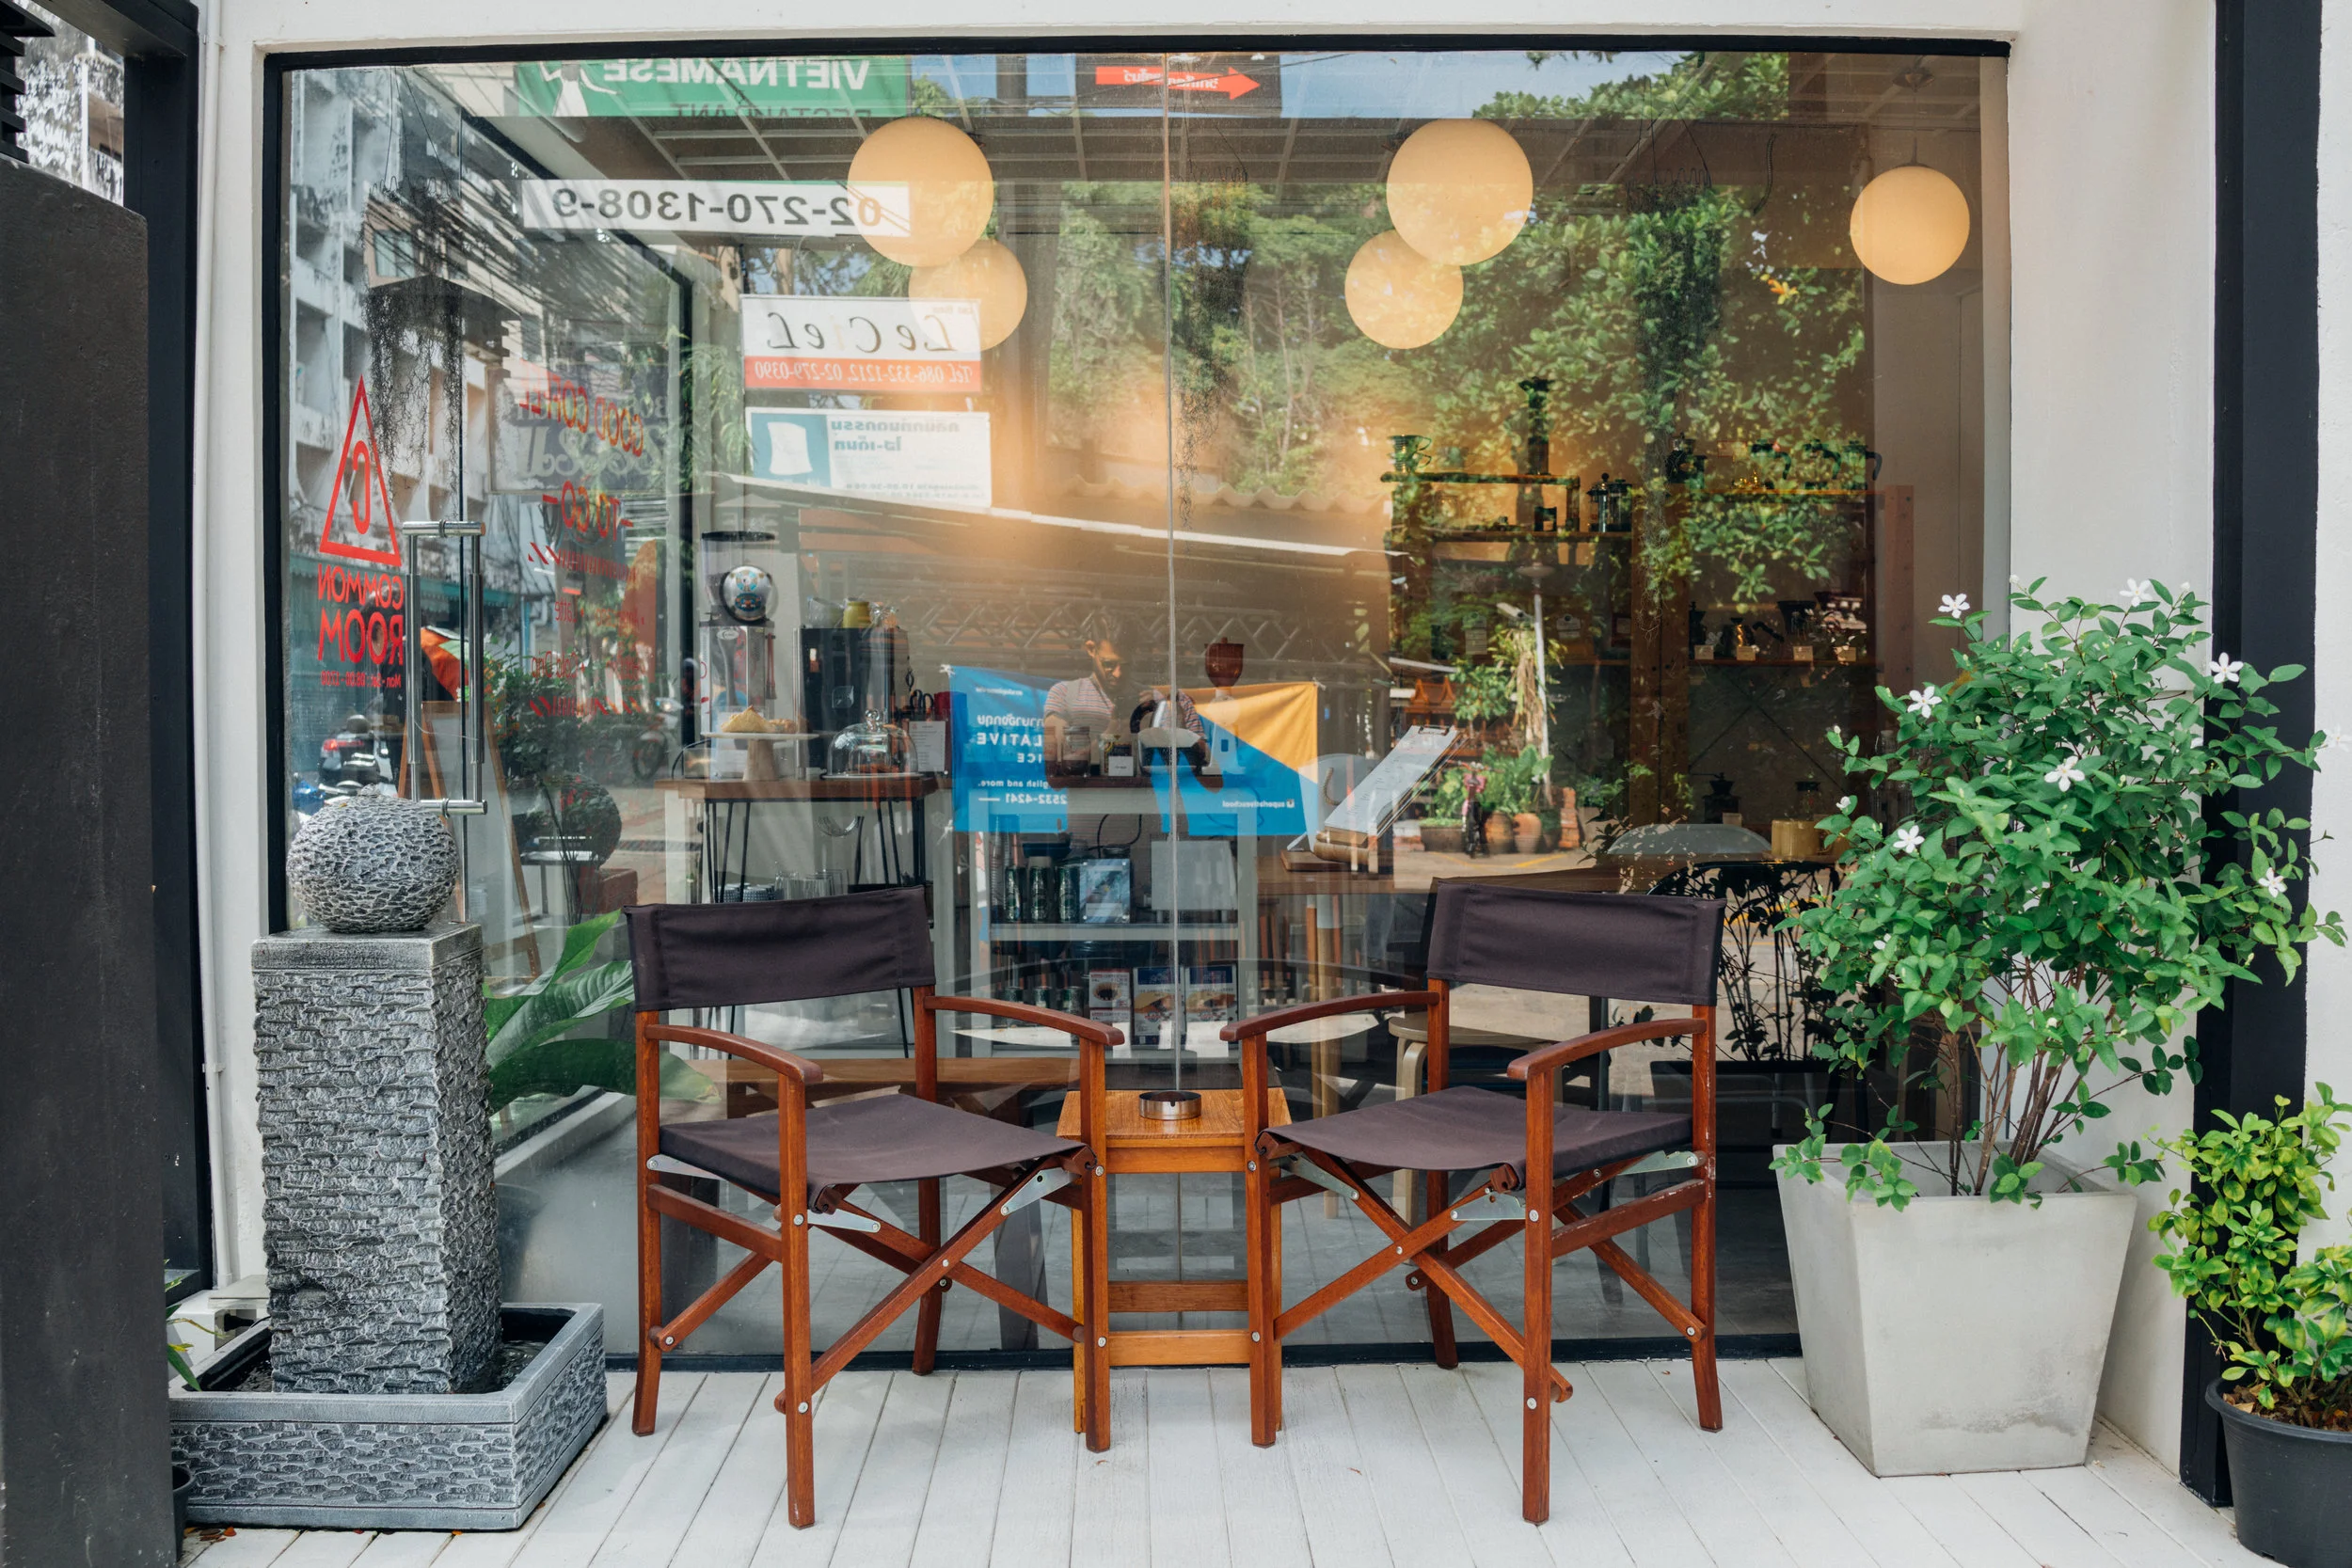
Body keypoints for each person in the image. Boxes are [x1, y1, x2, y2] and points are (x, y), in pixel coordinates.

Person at [1041, 617, 1200, 771]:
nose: (1118, 673)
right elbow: (1055, 771)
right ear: (1091, 649)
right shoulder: (1063, 695)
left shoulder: (1155, 701)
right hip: (1091, 797)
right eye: (1109, 664)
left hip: (1140, 796)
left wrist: (1158, 728)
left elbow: (1190, 769)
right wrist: (1112, 736)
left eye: (1126, 664)